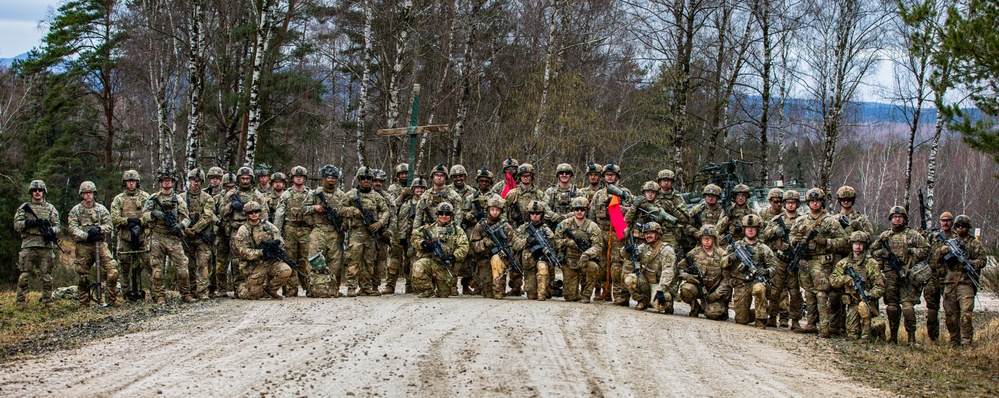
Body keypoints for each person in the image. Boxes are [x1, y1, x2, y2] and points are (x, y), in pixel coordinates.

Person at [789, 188, 848, 338]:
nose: (815, 204)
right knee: (808, 294)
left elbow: (844, 241)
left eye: (817, 201)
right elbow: (791, 236)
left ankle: (824, 327)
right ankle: (810, 324)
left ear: (822, 202)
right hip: (804, 261)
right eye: (812, 201)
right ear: (808, 203)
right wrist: (796, 240)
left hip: (821, 262)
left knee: (821, 294)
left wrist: (826, 242)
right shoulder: (801, 220)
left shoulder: (830, 221)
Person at [871, 206, 930, 345]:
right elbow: (873, 250)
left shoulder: (912, 235)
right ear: (891, 218)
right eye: (895, 217)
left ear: (905, 219)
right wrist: (884, 254)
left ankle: (911, 338)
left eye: (900, 217)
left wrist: (912, 253)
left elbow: (926, 248)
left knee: (908, 307)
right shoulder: (885, 236)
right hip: (890, 274)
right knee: (891, 307)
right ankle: (893, 337)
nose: (897, 219)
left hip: (907, 275)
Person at [142, 168, 194, 304]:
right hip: (157, 236)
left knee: (183, 268)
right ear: (160, 182)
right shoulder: (153, 199)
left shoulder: (178, 199)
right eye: (164, 181)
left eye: (169, 180)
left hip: (173, 237)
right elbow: (143, 217)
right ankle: (159, 296)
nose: (167, 183)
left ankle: (185, 294)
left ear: (173, 182)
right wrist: (153, 214)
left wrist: (181, 226)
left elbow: (187, 218)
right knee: (157, 269)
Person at [339, 166, 391, 297]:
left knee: (369, 261)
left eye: (369, 178)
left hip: (371, 233)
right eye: (363, 178)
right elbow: (339, 209)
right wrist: (353, 211)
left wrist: (379, 223)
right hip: (356, 232)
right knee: (354, 260)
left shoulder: (376, 196)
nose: (366, 180)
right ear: (359, 179)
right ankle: (351, 287)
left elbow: (386, 211)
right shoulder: (351, 195)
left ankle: (365, 287)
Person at [217, 167, 269, 295]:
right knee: (236, 260)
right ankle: (238, 289)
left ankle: (257, 287)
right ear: (238, 179)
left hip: (254, 230)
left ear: (251, 179)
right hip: (236, 230)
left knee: (256, 258)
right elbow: (221, 213)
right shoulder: (231, 195)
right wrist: (231, 206)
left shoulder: (257, 195)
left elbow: (264, 214)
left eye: (247, 178)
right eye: (242, 178)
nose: (245, 181)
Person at [936, 214, 985, 347]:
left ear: (968, 227)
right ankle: (954, 341)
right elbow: (937, 260)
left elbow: (982, 261)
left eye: (963, 226)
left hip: (966, 282)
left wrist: (969, 263)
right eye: (958, 226)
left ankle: (966, 342)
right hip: (950, 282)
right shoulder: (950, 242)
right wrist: (944, 251)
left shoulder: (974, 243)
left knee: (966, 315)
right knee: (950, 316)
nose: (960, 228)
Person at [69, 181, 120, 306]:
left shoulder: (101, 209)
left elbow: (109, 225)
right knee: (83, 275)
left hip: (100, 244)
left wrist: (99, 229)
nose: (88, 195)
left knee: (112, 272)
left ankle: (111, 300)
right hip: (84, 246)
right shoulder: (76, 210)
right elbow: (72, 228)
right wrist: (86, 236)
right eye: (85, 193)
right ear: (81, 194)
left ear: (94, 194)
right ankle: (84, 302)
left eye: (90, 193)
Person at [589, 163, 633, 305]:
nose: (609, 177)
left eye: (612, 175)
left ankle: (618, 294)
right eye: (607, 175)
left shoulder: (625, 193)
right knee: (601, 264)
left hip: (618, 234)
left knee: (616, 266)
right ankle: (603, 291)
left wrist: (618, 208)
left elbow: (632, 212)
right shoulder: (598, 195)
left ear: (617, 177)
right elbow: (591, 217)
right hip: (601, 233)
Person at [13, 180, 61, 308]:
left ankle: (48, 301)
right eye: (35, 190)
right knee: (24, 276)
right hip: (29, 245)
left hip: (45, 246)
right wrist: (29, 223)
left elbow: (57, 226)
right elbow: (17, 225)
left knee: (47, 277)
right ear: (31, 192)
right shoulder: (24, 208)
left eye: (40, 190)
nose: (37, 192)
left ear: (44, 192)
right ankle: (20, 302)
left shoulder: (50, 208)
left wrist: (51, 231)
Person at [761, 190, 804, 330]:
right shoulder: (776, 219)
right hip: (779, 259)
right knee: (775, 291)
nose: (790, 205)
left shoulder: (803, 220)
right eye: (788, 203)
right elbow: (764, 235)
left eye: (793, 203)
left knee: (795, 292)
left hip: (794, 260)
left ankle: (795, 320)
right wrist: (776, 231)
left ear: (797, 204)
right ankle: (772, 317)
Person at [830, 231, 885, 341]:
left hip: (867, 300)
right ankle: (868, 331)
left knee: (864, 308)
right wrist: (845, 279)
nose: (858, 246)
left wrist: (869, 295)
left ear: (864, 245)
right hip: (852, 302)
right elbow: (833, 280)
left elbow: (880, 286)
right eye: (855, 243)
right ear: (851, 244)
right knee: (852, 335)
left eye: (861, 243)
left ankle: (867, 336)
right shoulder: (844, 263)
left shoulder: (871, 263)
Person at [302, 165, 347, 297]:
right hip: (319, 229)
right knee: (314, 260)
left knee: (336, 262)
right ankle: (312, 288)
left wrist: (343, 225)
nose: (331, 180)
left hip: (335, 231)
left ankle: (334, 289)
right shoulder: (315, 193)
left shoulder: (341, 195)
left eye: (333, 177)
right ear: (324, 177)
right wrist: (314, 207)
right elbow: (303, 209)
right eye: (328, 177)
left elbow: (345, 213)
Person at [233, 201, 292, 299]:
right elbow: (244, 252)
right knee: (252, 295)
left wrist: (276, 245)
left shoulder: (268, 226)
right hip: (254, 265)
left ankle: (270, 290)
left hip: (269, 262)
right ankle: (242, 288)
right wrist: (262, 252)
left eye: (256, 211)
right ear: (246, 214)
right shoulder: (243, 230)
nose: (254, 214)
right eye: (250, 212)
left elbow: (279, 238)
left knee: (285, 270)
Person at [725, 215, 775, 328]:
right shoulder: (736, 246)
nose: (750, 230)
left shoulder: (763, 248)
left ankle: (761, 318)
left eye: (753, 228)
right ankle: (761, 311)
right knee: (741, 320)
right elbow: (723, 263)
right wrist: (731, 257)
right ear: (744, 229)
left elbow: (773, 267)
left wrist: (766, 271)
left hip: (755, 281)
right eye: (748, 228)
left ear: (757, 229)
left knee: (760, 289)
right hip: (741, 284)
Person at [411, 203, 469, 298]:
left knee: (444, 294)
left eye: (447, 214)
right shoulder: (429, 228)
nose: (444, 216)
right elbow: (414, 237)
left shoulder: (457, 230)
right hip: (431, 261)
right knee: (418, 266)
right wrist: (423, 243)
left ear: (451, 215)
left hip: (446, 265)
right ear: (437, 214)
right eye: (441, 213)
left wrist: (453, 256)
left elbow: (464, 247)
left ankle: (442, 287)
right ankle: (428, 290)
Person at [384, 175, 427, 294]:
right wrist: (402, 195)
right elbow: (392, 206)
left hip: (415, 237)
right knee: (394, 262)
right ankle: (390, 285)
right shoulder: (405, 201)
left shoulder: (426, 203)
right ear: (413, 189)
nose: (420, 190)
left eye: (422, 188)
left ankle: (411, 286)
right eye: (417, 188)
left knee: (412, 262)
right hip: (399, 235)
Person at [274, 166, 313, 297]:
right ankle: (291, 289)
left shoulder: (310, 194)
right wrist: (277, 234)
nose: (299, 178)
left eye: (301, 176)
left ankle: (309, 287)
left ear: (305, 178)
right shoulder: (287, 194)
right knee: (289, 259)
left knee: (306, 260)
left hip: (306, 230)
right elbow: (279, 214)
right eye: (296, 176)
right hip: (290, 228)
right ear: (292, 178)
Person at [109, 170, 150, 296]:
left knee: (150, 264)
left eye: (133, 181)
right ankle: (126, 293)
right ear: (125, 183)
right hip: (125, 237)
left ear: (137, 182)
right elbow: (114, 218)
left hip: (142, 237)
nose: (131, 184)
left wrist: (139, 221)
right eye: (128, 181)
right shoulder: (118, 199)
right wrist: (128, 221)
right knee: (124, 266)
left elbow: (150, 216)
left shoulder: (145, 197)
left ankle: (155, 293)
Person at [555, 197, 603, 302]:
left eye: (582, 209)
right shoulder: (564, 224)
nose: (579, 212)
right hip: (569, 261)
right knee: (569, 297)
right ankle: (575, 293)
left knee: (593, 267)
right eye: (576, 209)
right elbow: (555, 240)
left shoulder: (593, 227)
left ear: (586, 210)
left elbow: (598, 246)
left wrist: (587, 254)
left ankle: (586, 294)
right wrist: (566, 242)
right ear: (573, 210)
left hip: (585, 261)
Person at [467, 197, 516, 299]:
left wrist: (505, 253)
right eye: (492, 209)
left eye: (497, 210)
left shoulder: (506, 227)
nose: (494, 212)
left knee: (497, 292)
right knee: (487, 293)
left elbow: (512, 245)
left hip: (500, 260)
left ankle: (499, 288)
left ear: (501, 211)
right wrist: (484, 243)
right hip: (484, 260)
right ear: (488, 210)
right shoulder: (481, 225)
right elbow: (472, 246)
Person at [678, 225, 730, 320]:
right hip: (699, 287)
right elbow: (679, 268)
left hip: (715, 291)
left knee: (713, 314)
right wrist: (687, 276)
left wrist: (715, 295)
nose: (706, 241)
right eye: (704, 238)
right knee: (686, 289)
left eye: (709, 238)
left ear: (714, 239)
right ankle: (695, 307)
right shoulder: (694, 253)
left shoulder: (722, 254)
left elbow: (727, 279)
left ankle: (718, 307)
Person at [622, 222, 677, 312]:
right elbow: (626, 256)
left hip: (658, 284)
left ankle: (668, 303)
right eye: (646, 233)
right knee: (629, 279)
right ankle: (642, 301)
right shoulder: (644, 247)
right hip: (646, 282)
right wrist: (626, 250)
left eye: (651, 233)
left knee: (660, 306)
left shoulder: (666, 250)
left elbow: (668, 271)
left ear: (658, 234)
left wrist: (660, 290)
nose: (648, 236)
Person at [183, 168, 217, 300]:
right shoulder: (181, 198)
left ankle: (202, 291)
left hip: (202, 236)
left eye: (198, 181)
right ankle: (190, 290)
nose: (195, 183)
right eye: (193, 180)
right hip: (186, 236)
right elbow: (179, 215)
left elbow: (208, 216)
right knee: (188, 264)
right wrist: (186, 228)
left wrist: (195, 229)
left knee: (203, 264)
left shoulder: (207, 198)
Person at [511, 201, 556, 300]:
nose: (535, 216)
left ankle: (545, 290)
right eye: (532, 213)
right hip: (529, 264)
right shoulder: (523, 228)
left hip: (542, 261)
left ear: (542, 214)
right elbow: (514, 244)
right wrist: (526, 241)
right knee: (531, 295)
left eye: (537, 213)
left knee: (546, 293)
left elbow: (553, 246)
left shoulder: (547, 230)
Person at [924, 212, 955, 341]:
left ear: (952, 222)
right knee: (931, 310)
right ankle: (933, 338)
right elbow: (925, 250)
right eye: (943, 220)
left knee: (951, 310)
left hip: (949, 278)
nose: (945, 223)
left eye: (948, 220)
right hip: (933, 277)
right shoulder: (933, 237)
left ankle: (954, 338)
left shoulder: (956, 238)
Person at [653, 169, 690, 252]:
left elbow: (685, 219)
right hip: (653, 233)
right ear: (659, 181)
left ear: (672, 182)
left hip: (670, 234)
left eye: (668, 180)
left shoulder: (677, 198)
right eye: (664, 180)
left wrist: (673, 210)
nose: (666, 183)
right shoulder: (654, 195)